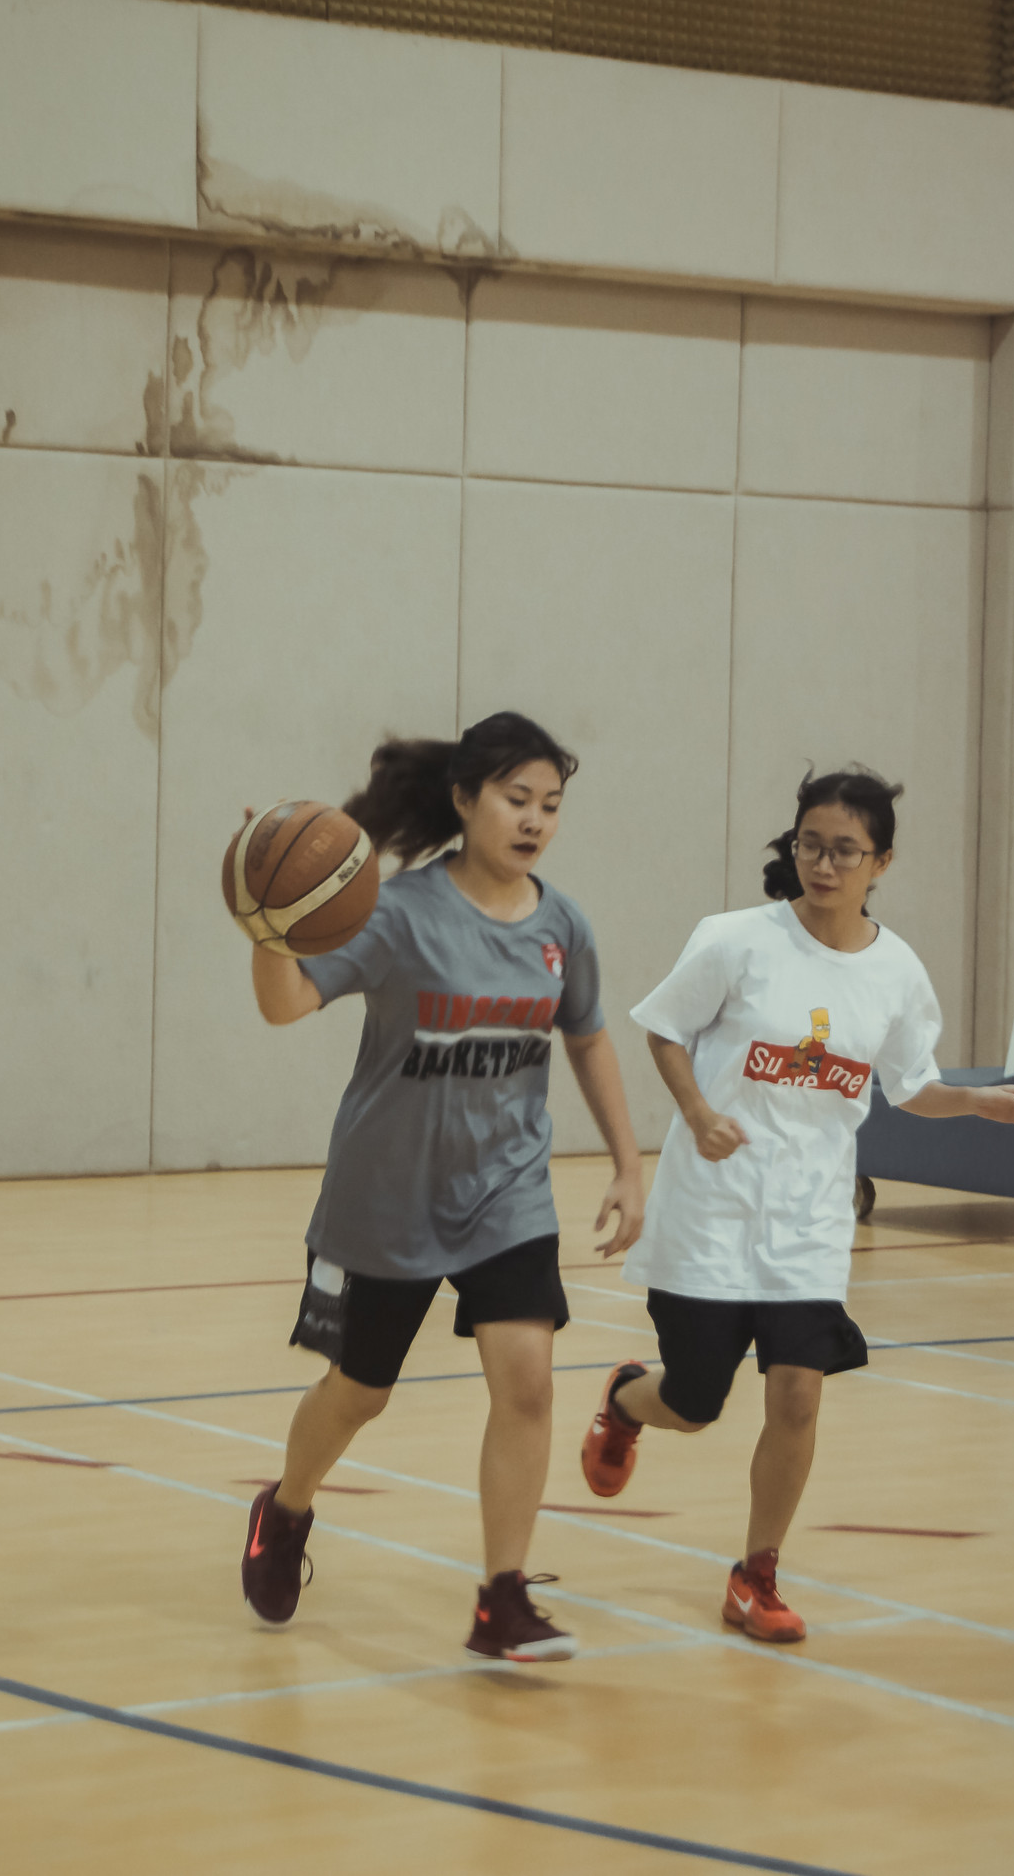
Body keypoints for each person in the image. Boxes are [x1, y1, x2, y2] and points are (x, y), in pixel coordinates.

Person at [579, 765, 1014, 1644]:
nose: (825, 864)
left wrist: (976, 1100)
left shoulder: (897, 971)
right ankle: (625, 1400)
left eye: (845, 850)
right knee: (695, 1401)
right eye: (810, 845)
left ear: (882, 861)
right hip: (711, 1212)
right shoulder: (736, 940)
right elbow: (664, 1029)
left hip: (809, 1223)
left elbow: (908, 1084)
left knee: (797, 1395)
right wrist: (698, 1113)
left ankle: (755, 1575)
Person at [240, 711, 644, 1662]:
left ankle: (502, 1598)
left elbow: (588, 1036)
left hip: (506, 1192)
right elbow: (285, 1003)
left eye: (551, 803)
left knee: (529, 1382)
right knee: (358, 1392)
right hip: (389, 1197)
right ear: (464, 800)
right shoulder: (397, 912)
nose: (535, 819)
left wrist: (630, 1164)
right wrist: (267, 926)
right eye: (517, 798)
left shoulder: (562, 925)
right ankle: (285, 1508)